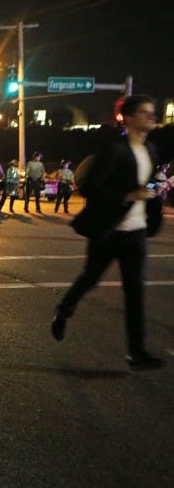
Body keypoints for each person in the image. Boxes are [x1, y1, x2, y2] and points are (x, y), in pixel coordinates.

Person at [51, 95, 165, 370]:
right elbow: (90, 186)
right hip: (109, 230)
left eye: (153, 112)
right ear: (128, 117)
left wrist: (153, 193)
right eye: (144, 112)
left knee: (135, 291)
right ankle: (64, 310)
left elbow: (148, 183)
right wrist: (127, 195)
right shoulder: (113, 149)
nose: (151, 117)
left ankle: (136, 352)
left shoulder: (151, 149)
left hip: (135, 231)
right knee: (91, 277)